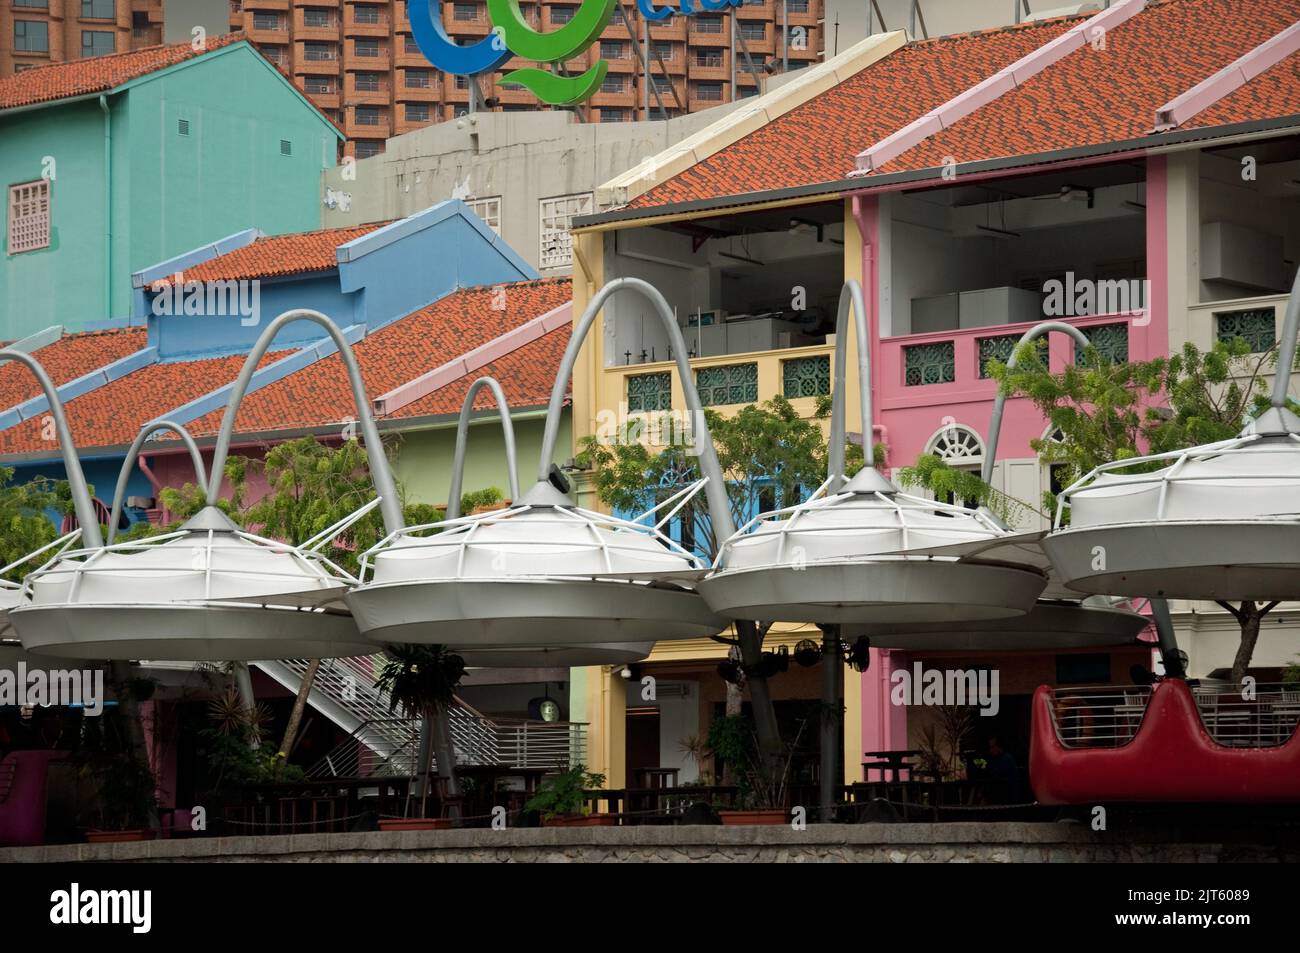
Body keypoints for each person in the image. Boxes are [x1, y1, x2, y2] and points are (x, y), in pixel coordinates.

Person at [985, 734, 1021, 804]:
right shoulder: (995, 759)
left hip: (1008, 797)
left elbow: (999, 776)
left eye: (992, 747)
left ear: (999, 747)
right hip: (1003, 795)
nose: (990, 750)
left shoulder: (1006, 759)